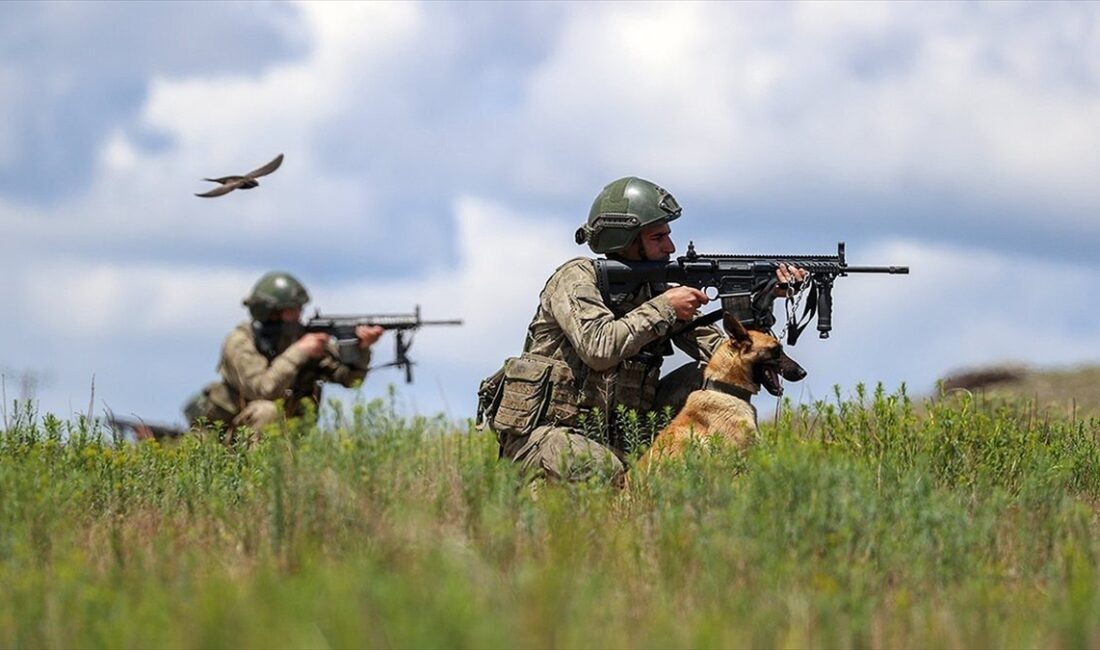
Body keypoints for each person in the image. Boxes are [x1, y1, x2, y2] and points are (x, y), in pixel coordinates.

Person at [479, 177, 804, 483]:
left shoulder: (654, 290)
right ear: (625, 241)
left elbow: (729, 359)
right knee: (603, 468)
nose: (671, 247)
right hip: (545, 437)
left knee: (703, 374)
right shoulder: (576, 278)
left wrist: (761, 299)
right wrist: (664, 307)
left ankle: (728, 472)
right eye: (658, 237)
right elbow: (598, 349)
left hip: (619, 439)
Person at [183, 271, 383, 439]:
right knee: (266, 411)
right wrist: (299, 353)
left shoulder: (300, 339)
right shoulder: (240, 342)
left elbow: (349, 380)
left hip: (286, 439)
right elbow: (263, 389)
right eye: (293, 310)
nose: (299, 315)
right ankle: (256, 483)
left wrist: (362, 349)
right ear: (271, 312)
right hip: (226, 441)